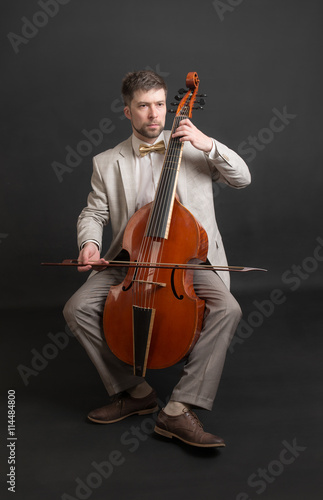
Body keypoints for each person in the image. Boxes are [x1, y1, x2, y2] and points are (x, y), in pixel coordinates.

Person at [63, 70, 251, 448]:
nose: (154, 114)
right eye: (143, 106)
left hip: (187, 261)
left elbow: (242, 178)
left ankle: (179, 409)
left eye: (161, 105)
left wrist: (208, 143)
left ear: (170, 106)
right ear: (127, 111)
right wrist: (89, 244)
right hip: (130, 259)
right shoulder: (107, 162)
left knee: (228, 309)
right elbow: (94, 213)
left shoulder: (193, 145)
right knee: (76, 308)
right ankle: (135, 393)